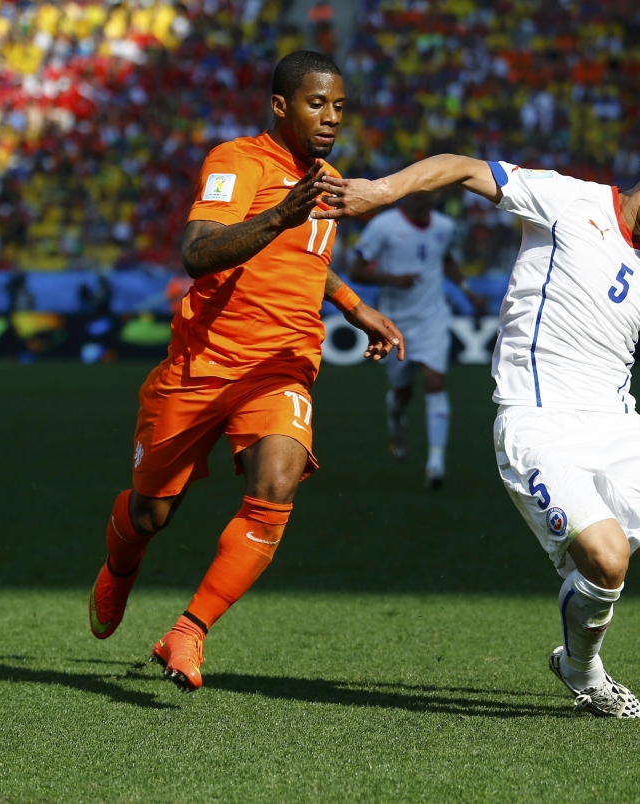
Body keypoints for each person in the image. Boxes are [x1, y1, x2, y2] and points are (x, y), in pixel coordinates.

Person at [314, 137, 640, 719]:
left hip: (618, 427)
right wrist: (381, 191)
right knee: (608, 559)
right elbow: (460, 168)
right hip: (537, 423)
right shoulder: (566, 201)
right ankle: (582, 669)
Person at [87, 51, 405, 692]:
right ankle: (121, 566)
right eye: (317, 103)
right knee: (151, 514)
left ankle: (189, 630)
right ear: (281, 105)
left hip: (282, 365)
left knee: (279, 485)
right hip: (203, 365)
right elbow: (198, 251)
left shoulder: (330, 180)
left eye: (339, 105)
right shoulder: (237, 162)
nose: (331, 118)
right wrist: (281, 213)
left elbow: (305, 259)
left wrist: (354, 305)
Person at [348, 192, 484, 487]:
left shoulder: (444, 227)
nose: (418, 199)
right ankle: (396, 421)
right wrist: (391, 279)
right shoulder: (383, 225)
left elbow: (446, 260)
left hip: (433, 317)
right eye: (413, 195)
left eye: (425, 194)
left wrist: (467, 289)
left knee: (435, 381)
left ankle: (435, 464)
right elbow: (355, 271)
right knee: (403, 392)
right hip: (394, 321)